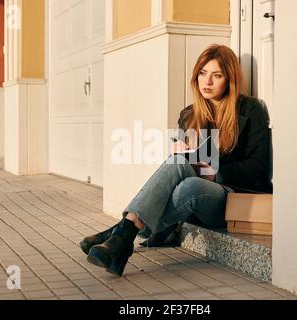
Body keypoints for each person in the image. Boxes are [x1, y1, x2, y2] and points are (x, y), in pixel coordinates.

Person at [80, 44, 272, 277]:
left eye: (216, 75)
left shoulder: (251, 110)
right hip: (191, 192)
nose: (207, 82)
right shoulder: (189, 114)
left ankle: (119, 233)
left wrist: (215, 173)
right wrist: (181, 153)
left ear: (229, 79)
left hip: (230, 196)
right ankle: (123, 237)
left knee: (190, 183)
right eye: (202, 73)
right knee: (182, 172)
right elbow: (180, 169)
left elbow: (258, 167)